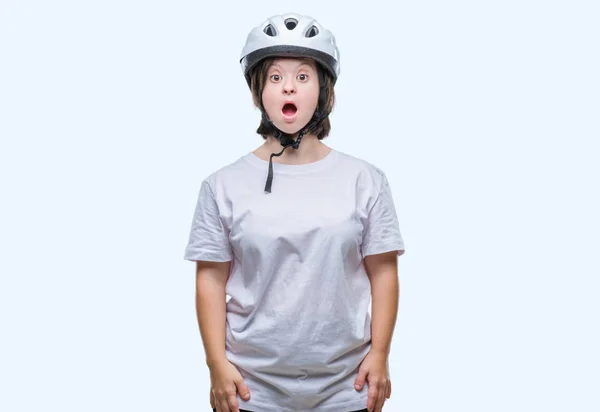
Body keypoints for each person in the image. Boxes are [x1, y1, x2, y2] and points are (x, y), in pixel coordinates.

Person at [184, 13, 405, 412]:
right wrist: (216, 364)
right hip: (252, 391)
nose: (288, 85)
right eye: (274, 77)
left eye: (303, 76)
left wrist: (381, 354)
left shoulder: (365, 179)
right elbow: (211, 279)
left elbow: (383, 272)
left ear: (324, 92)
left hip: (345, 388)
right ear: (258, 93)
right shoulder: (222, 185)